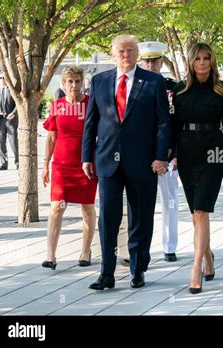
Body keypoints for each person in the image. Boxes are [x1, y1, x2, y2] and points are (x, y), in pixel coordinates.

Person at [82, 35, 171, 290]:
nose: (126, 55)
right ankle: (106, 273)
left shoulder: (153, 82)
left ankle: (138, 268)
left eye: (131, 50)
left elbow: (163, 122)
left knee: (140, 216)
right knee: (107, 217)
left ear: (137, 54)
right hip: (107, 160)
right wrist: (86, 157)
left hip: (143, 162)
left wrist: (160, 156)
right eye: (121, 51)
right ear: (113, 54)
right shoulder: (99, 81)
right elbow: (91, 122)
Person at [172, 43, 223, 294]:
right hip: (187, 152)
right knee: (196, 213)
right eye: (198, 58)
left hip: (214, 151)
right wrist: (172, 155)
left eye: (206, 58)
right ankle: (209, 257)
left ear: (212, 61)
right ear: (191, 61)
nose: (202, 62)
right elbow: (174, 126)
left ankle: (196, 266)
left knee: (201, 209)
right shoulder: (180, 90)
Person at [41, 65, 97, 270]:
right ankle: (50, 255)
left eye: (77, 81)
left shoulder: (92, 104)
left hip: (86, 164)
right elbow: (51, 137)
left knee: (87, 207)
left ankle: (85, 251)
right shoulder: (57, 105)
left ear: (83, 83)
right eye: (69, 82)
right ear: (63, 84)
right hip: (61, 165)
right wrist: (45, 165)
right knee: (57, 207)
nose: (74, 85)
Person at [134, 40, 179, 263]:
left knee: (169, 200)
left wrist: (177, 152)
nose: (151, 65)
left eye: (155, 61)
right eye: (147, 61)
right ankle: (140, 249)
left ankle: (169, 247)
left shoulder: (173, 87)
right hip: (141, 153)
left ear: (161, 62)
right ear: (141, 62)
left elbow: (179, 122)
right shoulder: (133, 86)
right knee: (140, 204)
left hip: (168, 155)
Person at [0, 74, 18, 170]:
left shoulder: (13, 90)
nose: (2, 79)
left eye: (4, 77)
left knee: (13, 142)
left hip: (11, 120)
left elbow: (18, 104)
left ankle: (18, 163)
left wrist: (14, 113)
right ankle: (4, 164)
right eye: (0, 78)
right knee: (1, 144)